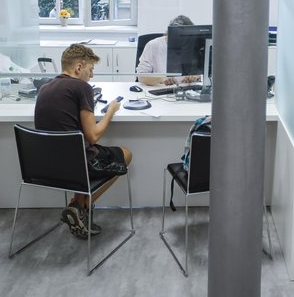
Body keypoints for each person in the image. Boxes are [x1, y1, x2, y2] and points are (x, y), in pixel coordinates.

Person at [34, 43, 132, 239]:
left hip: (44, 167)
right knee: (126, 155)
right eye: (91, 69)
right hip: (78, 166)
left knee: (89, 152)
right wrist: (111, 111)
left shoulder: (44, 87)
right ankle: (78, 207)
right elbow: (93, 135)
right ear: (79, 67)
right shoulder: (82, 87)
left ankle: (77, 208)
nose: (92, 75)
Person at [136, 14, 202, 86]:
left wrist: (197, 77)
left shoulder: (190, 46)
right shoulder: (153, 45)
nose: (181, 43)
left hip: (187, 91)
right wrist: (161, 79)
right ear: (169, 34)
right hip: (160, 90)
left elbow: (203, 72)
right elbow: (141, 77)